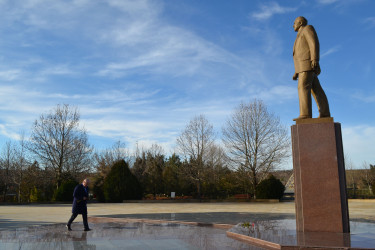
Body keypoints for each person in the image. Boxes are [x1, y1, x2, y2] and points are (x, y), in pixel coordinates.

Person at [292, 16, 331, 121]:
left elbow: (314, 43)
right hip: (302, 66)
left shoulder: (307, 29)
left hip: (307, 64)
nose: (293, 25)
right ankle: (325, 112)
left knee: (302, 87)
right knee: (316, 89)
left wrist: (315, 59)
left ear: (300, 23)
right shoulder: (299, 34)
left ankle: (305, 114)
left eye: (295, 23)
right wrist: (296, 72)